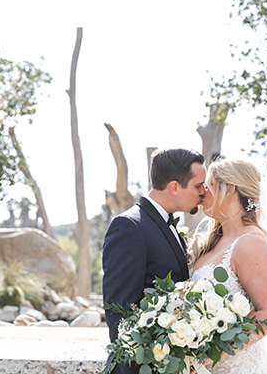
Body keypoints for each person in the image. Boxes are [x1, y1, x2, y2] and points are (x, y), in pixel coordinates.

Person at [189, 158, 267, 374]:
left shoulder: (251, 243)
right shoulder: (213, 241)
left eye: (209, 185)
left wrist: (213, 352)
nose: (202, 192)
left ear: (230, 189)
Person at [102, 148, 207, 374]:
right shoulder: (129, 227)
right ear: (175, 187)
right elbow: (120, 314)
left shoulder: (167, 224)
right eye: (198, 185)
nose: (203, 192)